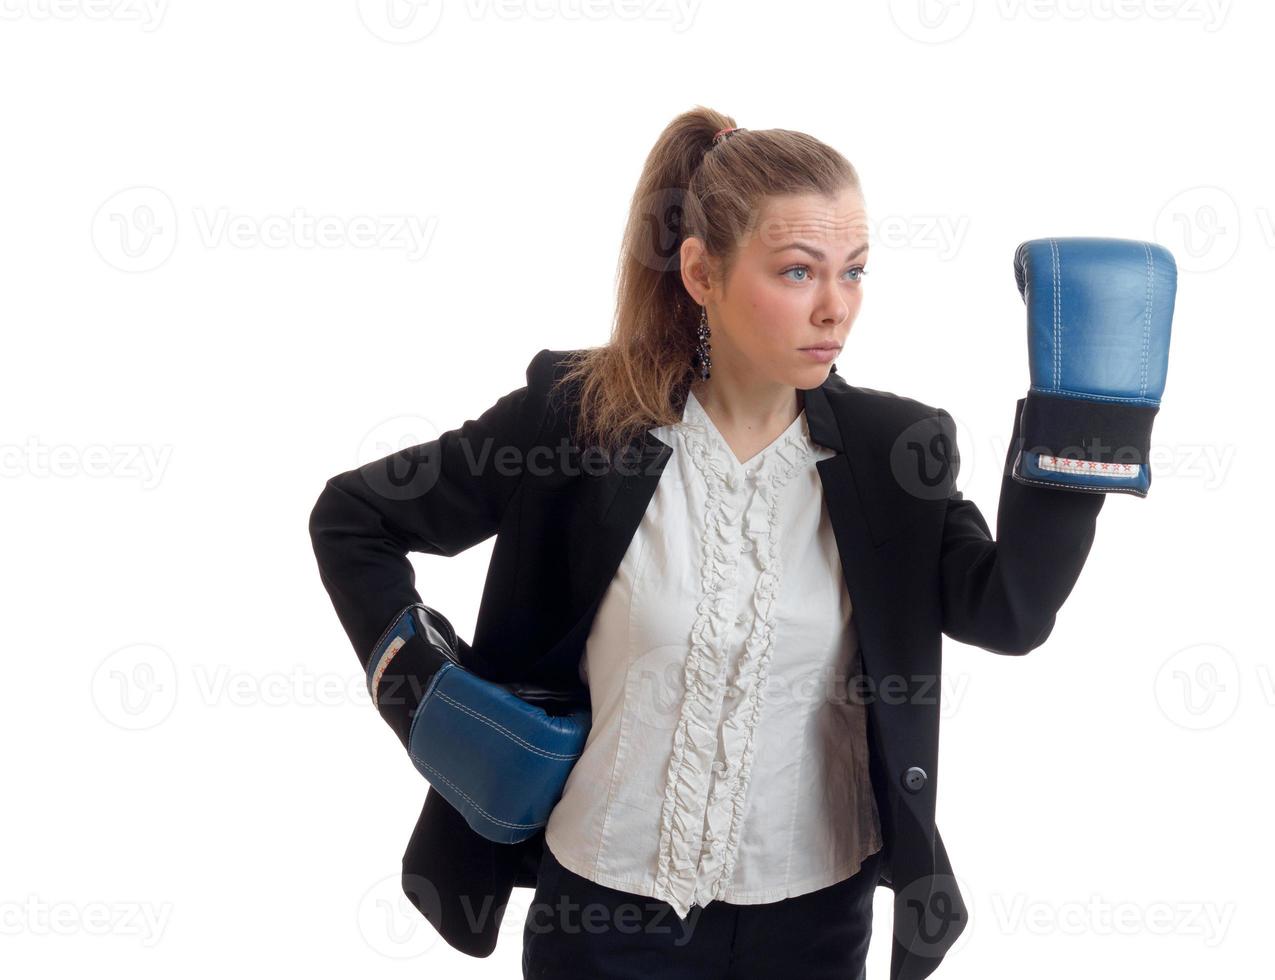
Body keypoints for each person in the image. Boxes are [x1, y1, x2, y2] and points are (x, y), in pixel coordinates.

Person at [309, 105, 1132, 980]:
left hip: (813, 927)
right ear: (700, 271)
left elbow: (1008, 613)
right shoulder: (576, 420)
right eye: (796, 271)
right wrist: (426, 693)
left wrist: (1080, 427)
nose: (835, 307)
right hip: (601, 916)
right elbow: (354, 517)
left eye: (854, 272)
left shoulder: (897, 455)